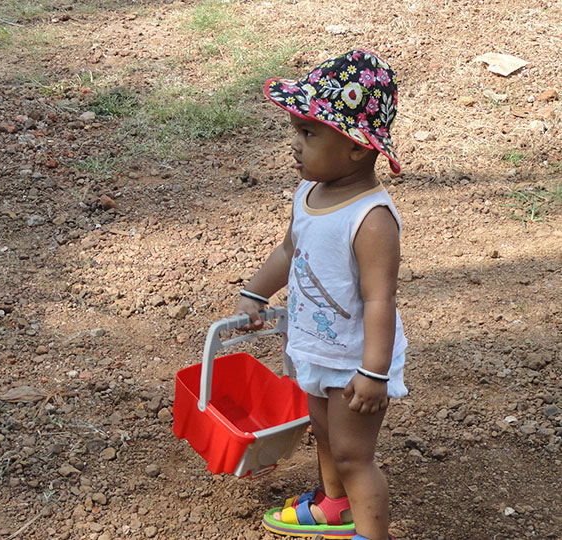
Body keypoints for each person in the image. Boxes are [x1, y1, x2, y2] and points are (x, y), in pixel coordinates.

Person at [234, 49, 407, 540]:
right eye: (296, 130)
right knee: (325, 437)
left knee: (355, 455)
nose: (295, 144)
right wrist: (255, 293)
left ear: (356, 147)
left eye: (309, 133)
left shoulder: (371, 219)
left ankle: (370, 532)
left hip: (356, 358)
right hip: (314, 346)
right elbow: (290, 249)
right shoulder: (308, 194)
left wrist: (373, 373)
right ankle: (335, 507)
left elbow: (380, 300)